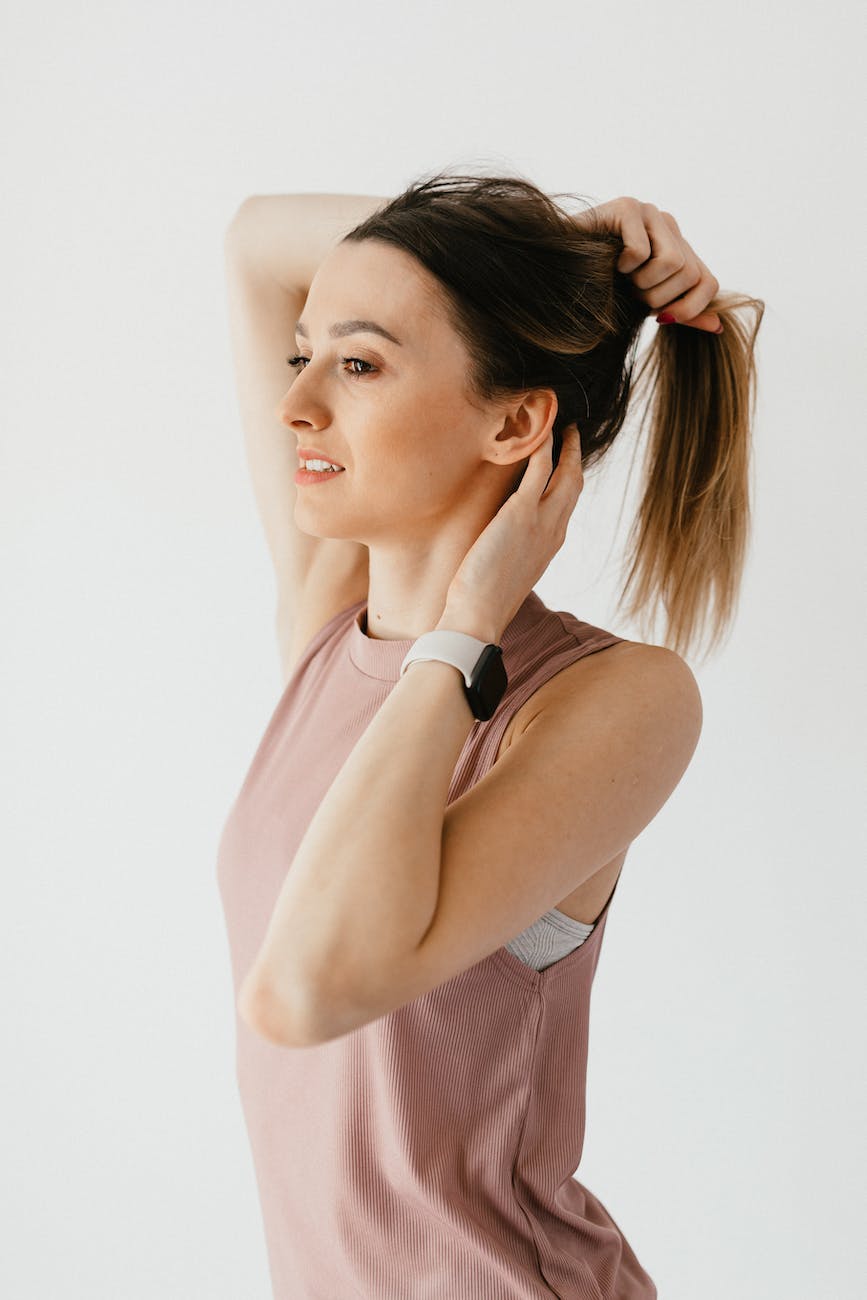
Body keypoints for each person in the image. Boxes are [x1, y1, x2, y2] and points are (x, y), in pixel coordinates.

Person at [216, 171, 764, 1298]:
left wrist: (469, 626)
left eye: (358, 364)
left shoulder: (616, 701)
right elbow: (255, 246)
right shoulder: (333, 625)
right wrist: (572, 251)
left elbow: (302, 993)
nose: (296, 404)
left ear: (516, 422)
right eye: (302, 356)